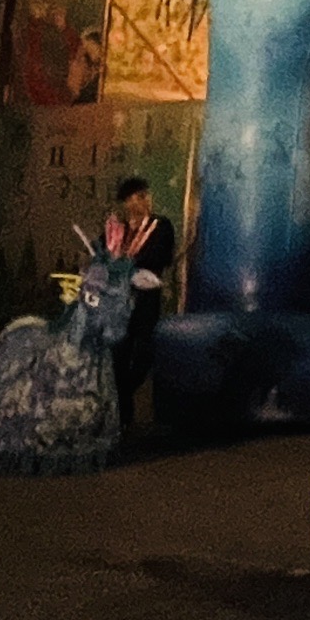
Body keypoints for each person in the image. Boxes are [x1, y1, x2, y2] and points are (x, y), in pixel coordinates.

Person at [108, 177, 176, 434]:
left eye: (143, 196)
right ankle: (123, 418)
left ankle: (124, 395)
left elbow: (161, 256)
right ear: (127, 203)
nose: (140, 202)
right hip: (120, 304)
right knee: (119, 358)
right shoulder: (120, 231)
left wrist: (129, 264)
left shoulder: (160, 226)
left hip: (146, 301)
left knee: (143, 356)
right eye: (134, 198)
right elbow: (104, 254)